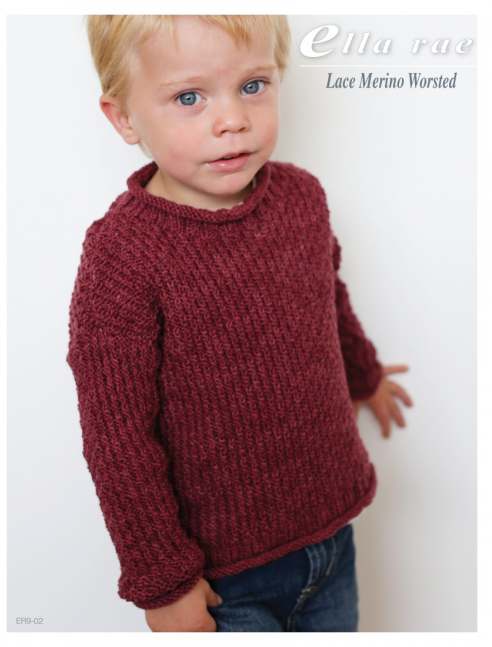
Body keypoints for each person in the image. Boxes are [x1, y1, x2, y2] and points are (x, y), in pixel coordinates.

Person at [66, 15, 414, 632]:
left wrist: (364, 373)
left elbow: (327, 299)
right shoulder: (123, 256)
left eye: (253, 86)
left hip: (332, 535)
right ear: (124, 119)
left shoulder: (301, 198)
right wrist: (163, 582)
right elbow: (117, 437)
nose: (232, 119)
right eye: (189, 98)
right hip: (224, 580)